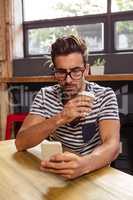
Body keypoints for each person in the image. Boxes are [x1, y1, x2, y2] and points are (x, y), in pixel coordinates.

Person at [15, 35, 120, 179]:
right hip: (57, 171)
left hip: (93, 171)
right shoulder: (46, 95)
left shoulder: (105, 95)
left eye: (76, 71)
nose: (68, 80)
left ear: (86, 70)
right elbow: (20, 143)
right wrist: (60, 117)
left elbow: (112, 145)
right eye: (61, 72)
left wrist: (84, 164)